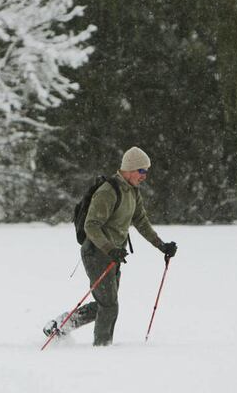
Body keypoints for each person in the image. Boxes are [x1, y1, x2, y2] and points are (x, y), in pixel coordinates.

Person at [43, 146, 177, 346]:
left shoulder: (132, 192)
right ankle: (102, 349)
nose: (144, 176)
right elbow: (91, 225)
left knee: (105, 303)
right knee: (109, 305)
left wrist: (161, 245)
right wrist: (110, 249)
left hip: (114, 255)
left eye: (146, 171)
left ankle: (62, 324)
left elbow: (141, 221)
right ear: (130, 169)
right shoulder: (108, 191)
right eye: (141, 171)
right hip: (96, 253)